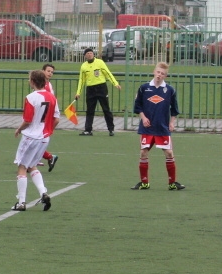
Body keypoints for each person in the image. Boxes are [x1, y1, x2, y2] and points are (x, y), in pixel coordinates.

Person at [132, 61, 184, 190]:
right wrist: (143, 118)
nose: (159, 75)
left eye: (162, 74)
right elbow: (137, 106)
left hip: (162, 127)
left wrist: (171, 123)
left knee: (169, 153)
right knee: (143, 152)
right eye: (158, 72)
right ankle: (144, 183)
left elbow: (174, 109)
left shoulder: (169, 90)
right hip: (147, 128)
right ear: (154, 72)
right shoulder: (144, 88)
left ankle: (172, 183)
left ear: (165, 76)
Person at [12, 69, 57, 211]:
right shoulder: (51, 97)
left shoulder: (31, 97)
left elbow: (28, 120)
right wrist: (48, 130)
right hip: (44, 138)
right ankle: (43, 193)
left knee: (22, 167)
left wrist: (19, 129)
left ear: (32, 81)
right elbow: (57, 119)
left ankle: (21, 202)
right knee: (32, 166)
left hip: (31, 137)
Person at [74, 47, 122, 136]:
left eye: (90, 53)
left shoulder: (100, 62)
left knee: (106, 109)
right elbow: (81, 80)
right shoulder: (83, 66)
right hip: (90, 89)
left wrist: (115, 83)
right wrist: (78, 93)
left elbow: (107, 73)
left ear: (93, 54)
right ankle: (88, 130)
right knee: (90, 110)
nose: (89, 54)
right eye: (87, 53)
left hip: (101, 88)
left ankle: (111, 129)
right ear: (85, 56)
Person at [38, 63, 59, 172]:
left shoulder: (47, 85)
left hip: (46, 114)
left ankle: (47, 157)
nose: (50, 73)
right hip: (43, 114)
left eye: (52, 72)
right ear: (43, 71)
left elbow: (50, 100)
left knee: (37, 138)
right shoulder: (41, 83)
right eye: (48, 71)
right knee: (36, 138)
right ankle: (47, 157)